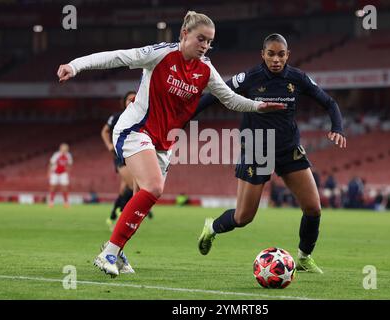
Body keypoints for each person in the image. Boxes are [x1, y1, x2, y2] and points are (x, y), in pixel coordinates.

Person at [57, 11, 284, 277]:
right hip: (135, 129)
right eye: (201, 38)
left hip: (164, 143)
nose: (205, 45)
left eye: (209, 41)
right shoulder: (161, 53)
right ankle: (109, 251)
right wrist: (75, 65)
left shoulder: (205, 69)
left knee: (141, 197)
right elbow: (118, 56)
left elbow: (230, 99)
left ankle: (117, 251)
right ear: (184, 34)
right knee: (154, 187)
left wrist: (259, 106)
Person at [196, 33, 346, 273]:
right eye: (271, 54)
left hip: (288, 148)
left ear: (288, 55)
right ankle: (211, 228)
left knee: (313, 207)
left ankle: (304, 257)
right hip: (257, 148)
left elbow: (330, 103)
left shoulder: (298, 78)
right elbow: (214, 95)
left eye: (281, 54)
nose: (276, 59)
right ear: (262, 55)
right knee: (243, 218)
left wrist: (337, 127)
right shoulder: (249, 78)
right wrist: (186, 117)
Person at [101, 91, 153, 232]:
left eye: (134, 99)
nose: (131, 101)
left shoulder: (141, 117)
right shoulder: (117, 117)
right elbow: (104, 131)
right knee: (132, 185)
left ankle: (112, 217)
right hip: (121, 155)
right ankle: (122, 213)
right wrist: (109, 145)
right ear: (124, 102)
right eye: (129, 99)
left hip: (134, 155)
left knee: (124, 189)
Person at [48, 143, 73, 208]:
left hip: (63, 173)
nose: (64, 150)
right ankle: (51, 202)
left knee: (65, 188)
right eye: (63, 148)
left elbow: (70, 164)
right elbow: (51, 163)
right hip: (55, 173)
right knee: (53, 188)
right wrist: (49, 172)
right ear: (60, 149)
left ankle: (66, 202)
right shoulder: (56, 155)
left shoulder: (68, 155)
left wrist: (68, 172)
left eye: (66, 149)